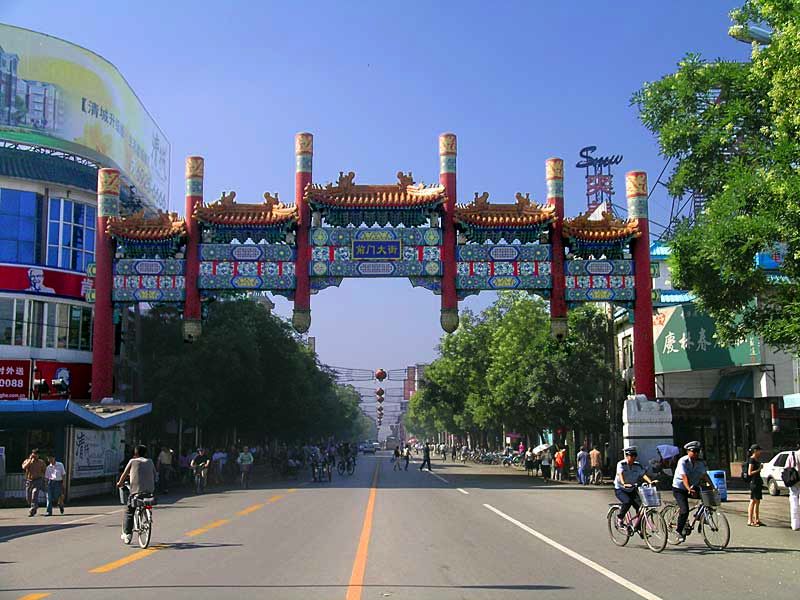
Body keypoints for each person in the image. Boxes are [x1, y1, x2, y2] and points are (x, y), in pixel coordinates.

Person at [671, 441, 712, 544]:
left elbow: (704, 475)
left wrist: (713, 486)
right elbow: (684, 477)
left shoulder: (701, 462)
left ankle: (701, 516)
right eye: (694, 451)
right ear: (688, 451)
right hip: (680, 488)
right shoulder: (683, 461)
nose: (696, 454)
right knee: (685, 510)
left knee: (707, 497)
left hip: (693, 486)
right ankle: (678, 531)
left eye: (698, 451)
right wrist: (688, 489)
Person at [116, 444, 157, 544]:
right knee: (143, 504)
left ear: (135, 453)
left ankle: (127, 534)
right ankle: (146, 520)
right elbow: (155, 474)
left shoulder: (132, 461)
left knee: (129, 511)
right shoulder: (150, 461)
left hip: (136, 492)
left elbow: (124, 474)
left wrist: (119, 483)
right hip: (149, 492)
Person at [614, 446, 655, 527]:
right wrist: (624, 483)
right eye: (631, 456)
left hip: (632, 489)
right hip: (621, 489)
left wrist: (651, 482)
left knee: (640, 507)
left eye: (635, 456)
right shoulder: (621, 464)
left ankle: (639, 528)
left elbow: (643, 474)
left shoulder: (637, 465)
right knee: (627, 502)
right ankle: (620, 518)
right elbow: (620, 474)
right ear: (626, 456)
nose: (633, 458)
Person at [22, 449, 46, 517]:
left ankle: (32, 510)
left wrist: (45, 478)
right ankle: (34, 506)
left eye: (37, 454)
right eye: (34, 454)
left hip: (38, 480)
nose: (35, 456)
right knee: (28, 498)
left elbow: (45, 470)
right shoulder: (27, 461)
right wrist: (30, 460)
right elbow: (24, 467)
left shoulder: (41, 462)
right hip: (29, 481)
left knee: (34, 493)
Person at [746, 444, 764, 527]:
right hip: (754, 482)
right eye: (759, 450)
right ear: (755, 451)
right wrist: (759, 469)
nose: (760, 451)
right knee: (753, 501)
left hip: (758, 482)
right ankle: (750, 520)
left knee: (758, 501)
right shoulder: (752, 459)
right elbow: (749, 472)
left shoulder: (756, 459)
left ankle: (757, 519)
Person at [787, 441, 800, 531]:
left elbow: (787, 467)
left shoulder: (793, 455)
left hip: (794, 481)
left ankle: (795, 525)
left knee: (794, 502)